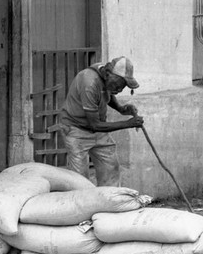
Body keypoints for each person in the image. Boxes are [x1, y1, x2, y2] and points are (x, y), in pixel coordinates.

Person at [59, 56, 144, 186]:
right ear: (107, 74)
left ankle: (110, 201)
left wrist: (121, 109)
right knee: (80, 181)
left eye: (123, 87)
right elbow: (95, 125)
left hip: (97, 129)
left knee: (111, 169)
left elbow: (107, 93)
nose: (120, 89)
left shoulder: (104, 73)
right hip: (75, 129)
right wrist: (128, 124)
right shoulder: (89, 82)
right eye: (118, 85)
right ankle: (84, 204)